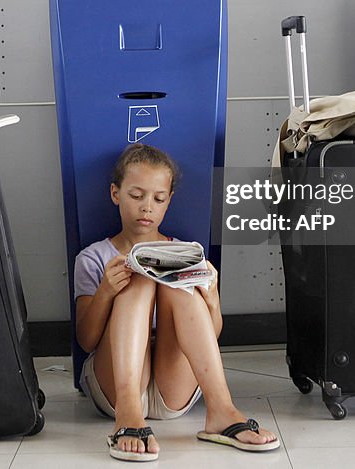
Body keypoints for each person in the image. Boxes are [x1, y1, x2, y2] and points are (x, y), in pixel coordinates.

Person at [74, 143, 280, 462]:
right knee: (141, 274)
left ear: (168, 201)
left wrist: (211, 295)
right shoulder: (93, 257)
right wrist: (106, 291)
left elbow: (211, 335)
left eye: (158, 199)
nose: (147, 208)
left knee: (173, 277)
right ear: (115, 193)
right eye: (136, 195)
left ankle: (222, 411)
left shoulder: (184, 252)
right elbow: (86, 340)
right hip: (118, 385)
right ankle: (128, 414)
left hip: (173, 384)